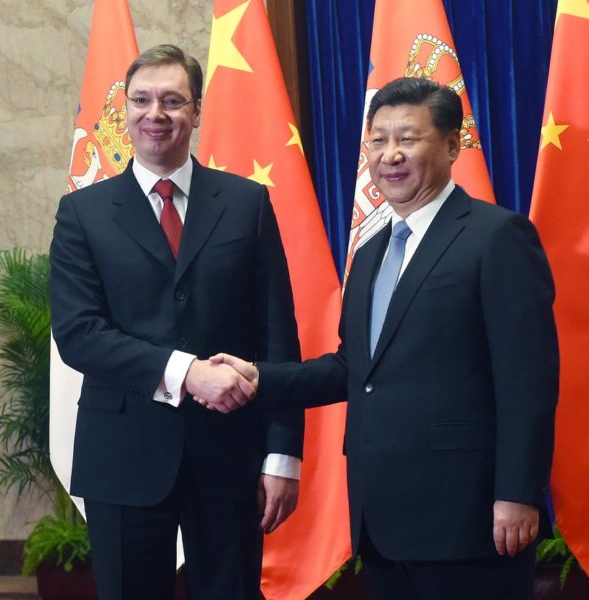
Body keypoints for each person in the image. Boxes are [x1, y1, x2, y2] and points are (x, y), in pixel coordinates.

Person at [208, 77, 559, 599]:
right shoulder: (370, 253)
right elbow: (355, 369)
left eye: (408, 139)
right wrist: (259, 377)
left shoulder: (497, 237)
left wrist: (518, 493)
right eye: (378, 140)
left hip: (470, 518)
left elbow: (528, 381)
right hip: (382, 520)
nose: (389, 155)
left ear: (451, 144)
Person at [49, 44, 304, 600]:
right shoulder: (83, 214)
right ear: (124, 112)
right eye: (141, 100)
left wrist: (283, 452)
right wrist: (187, 372)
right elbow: (79, 334)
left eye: (171, 100)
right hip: (124, 454)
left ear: (196, 110)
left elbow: (277, 335)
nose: (155, 114)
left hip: (231, 453)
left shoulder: (246, 204)